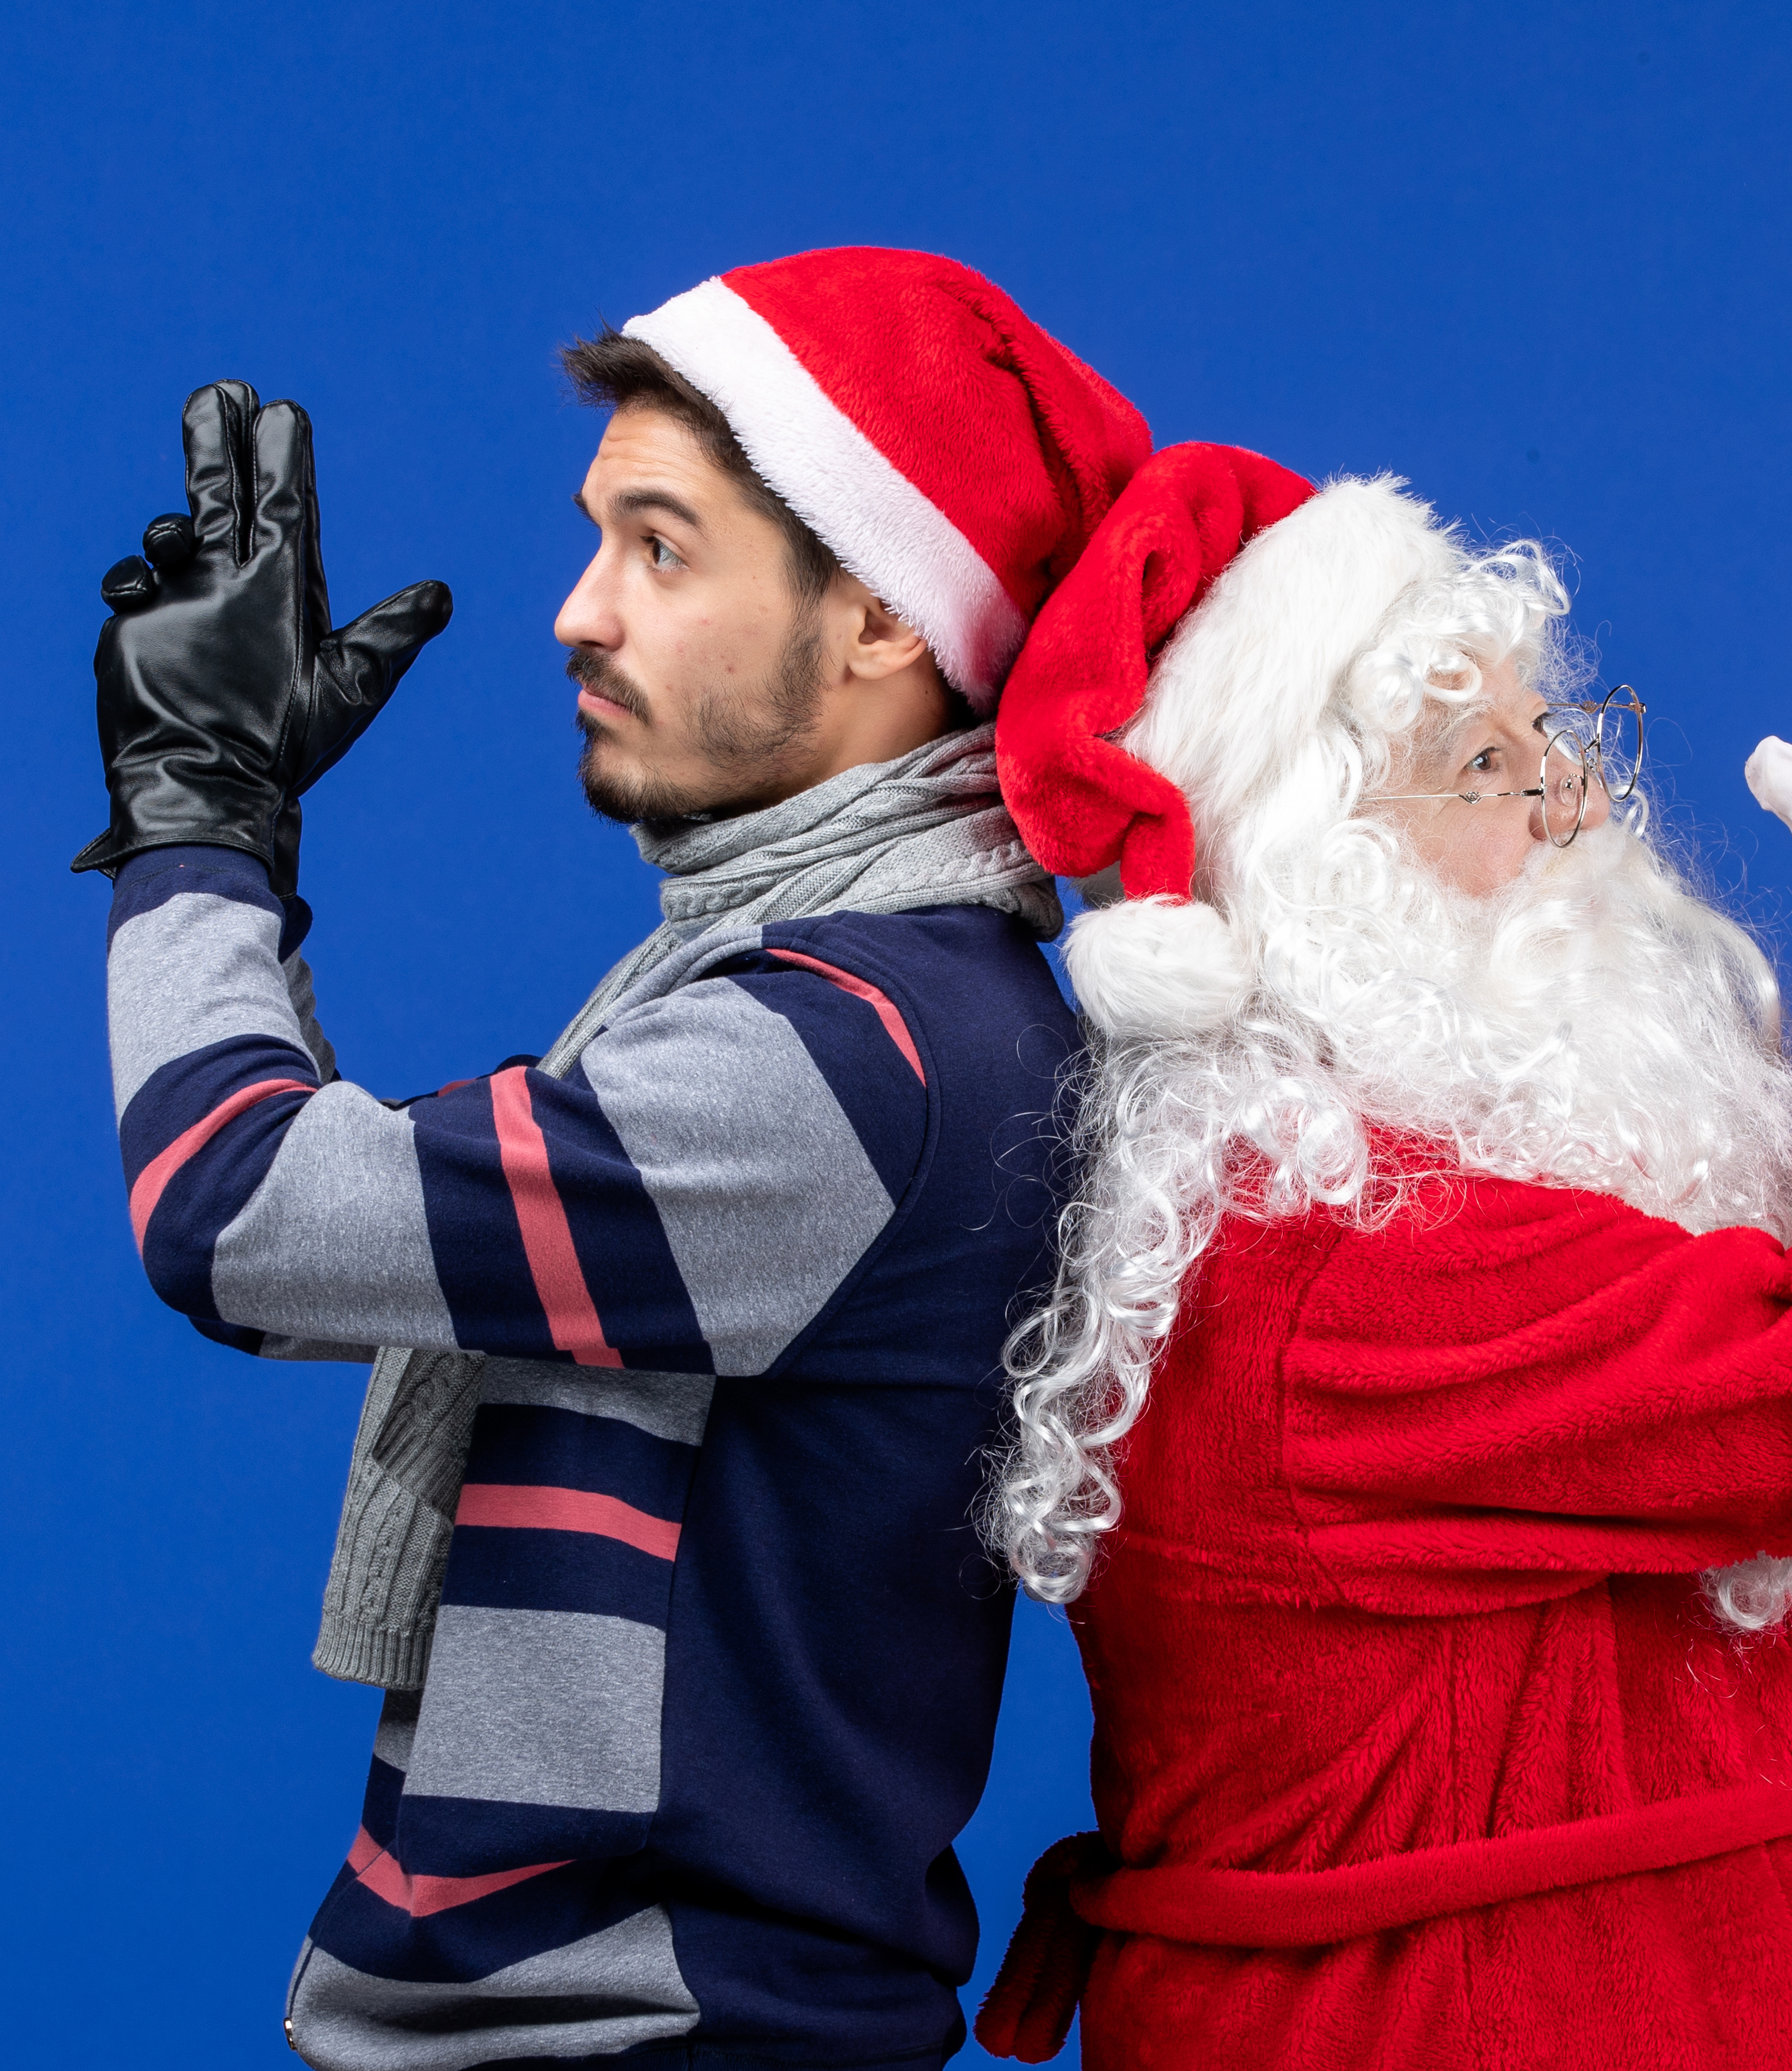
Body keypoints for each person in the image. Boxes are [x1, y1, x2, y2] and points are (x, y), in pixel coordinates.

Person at [75, 249, 1150, 2069]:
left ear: (884, 611)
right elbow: (341, 1242)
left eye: (661, 547)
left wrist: (196, 820)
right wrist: (229, 835)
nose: (579, 613)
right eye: (598, 539)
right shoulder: (855, 1001)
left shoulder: (841, 1060)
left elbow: (236, 1216)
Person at [970, 456, 1792, 2069]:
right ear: (1313, 878)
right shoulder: (1346, 1272)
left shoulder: (1354, 1213)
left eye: (1550, 741)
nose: (1576, 808)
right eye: (1482, 764)